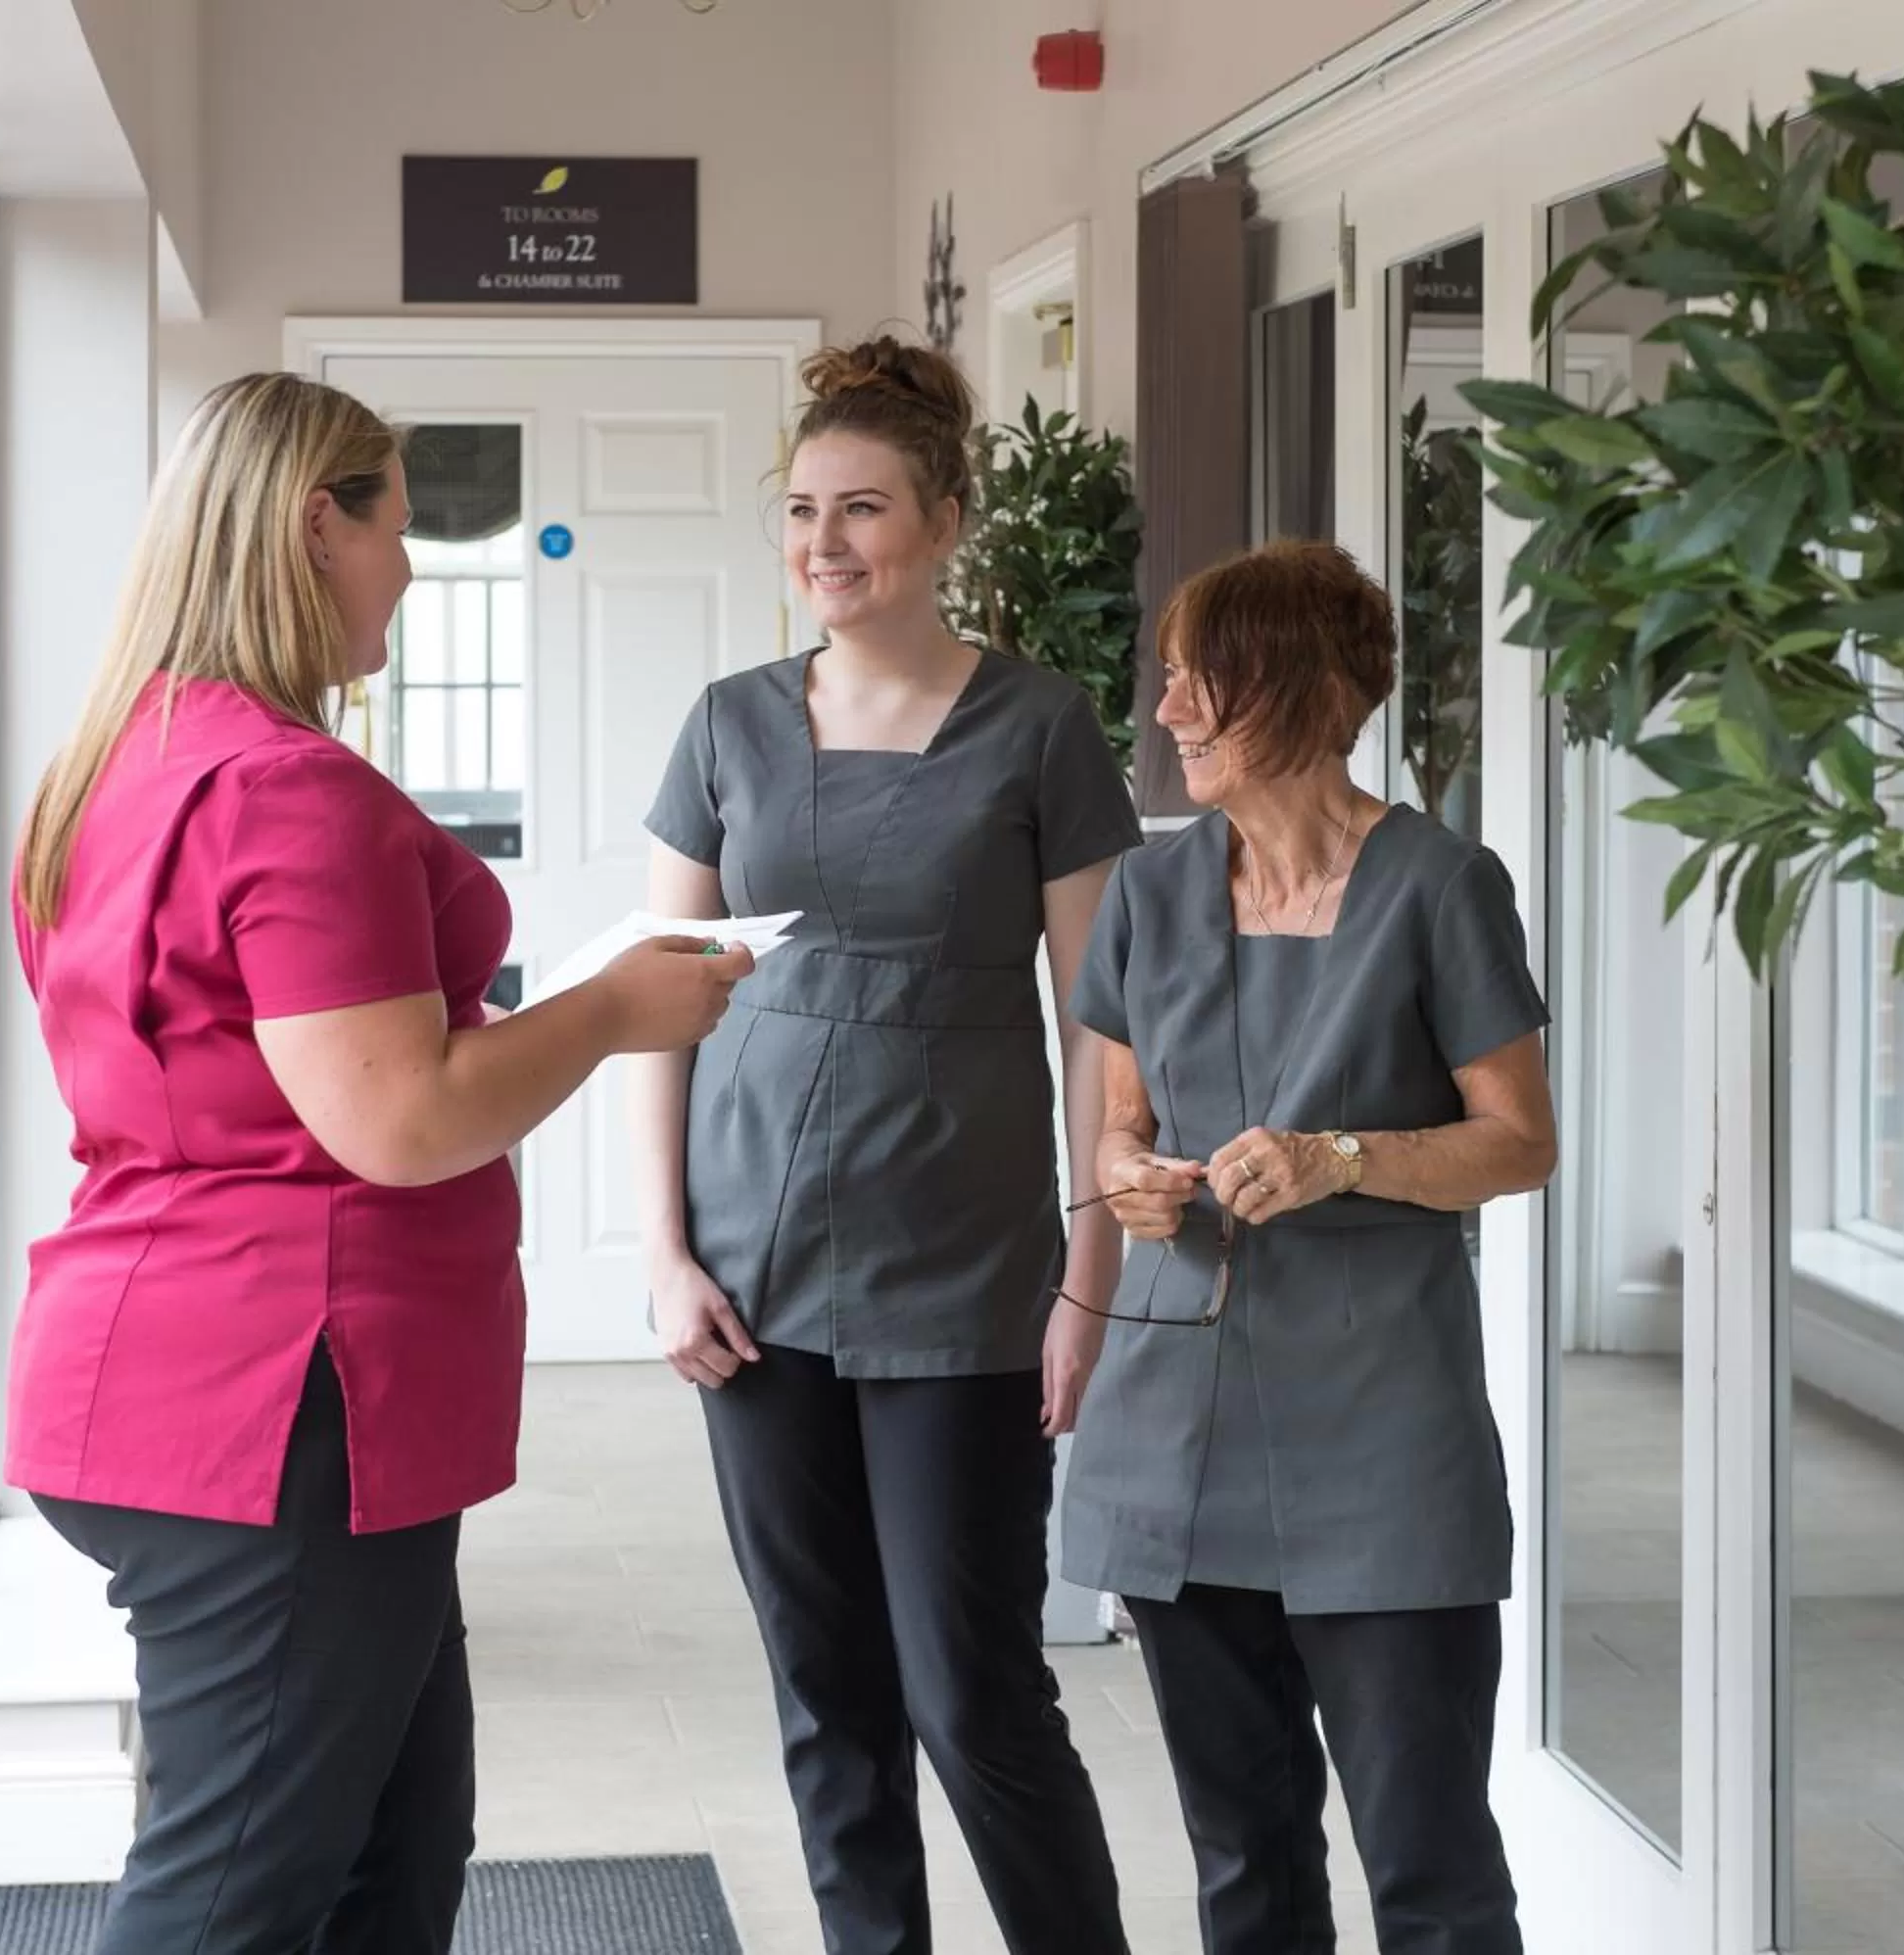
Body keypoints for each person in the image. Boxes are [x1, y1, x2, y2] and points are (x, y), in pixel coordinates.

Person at [4, 372, 747, 1955]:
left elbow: (268, 1070)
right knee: (239, 1891)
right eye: (397, 531)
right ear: (311, 528)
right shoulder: (285, 789)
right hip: (275, 1404)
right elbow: (397, 1116)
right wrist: (617, 1008)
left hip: (169, 1371)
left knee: (396, 1850)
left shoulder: (114, 767)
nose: (411, 569)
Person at [632, 335, 1141, 1953]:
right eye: (799, 510)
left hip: (970, 1263)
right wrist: (662, 1252)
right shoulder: (724, 725)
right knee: (822, 1680)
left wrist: (1089, 1270)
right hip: (754, 1261)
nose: (823, 545)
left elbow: (1100, 1024)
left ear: (944, 521)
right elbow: (660, 1000)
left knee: (972, 1683)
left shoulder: (1043, 727)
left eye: (861, 509)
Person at [1066, 539, 1559, 1955]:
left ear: (1285, 688)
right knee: (1245, 1867)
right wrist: (1135, 1184)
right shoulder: (1153, 895)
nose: (1166, 715)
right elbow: (1114, 1132)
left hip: (1383, 1445)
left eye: (1192, 682)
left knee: (1432, 1876)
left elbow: (1520, 1140)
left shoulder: (1443, 885)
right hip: (1178, 1440)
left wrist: (1340, 1155)